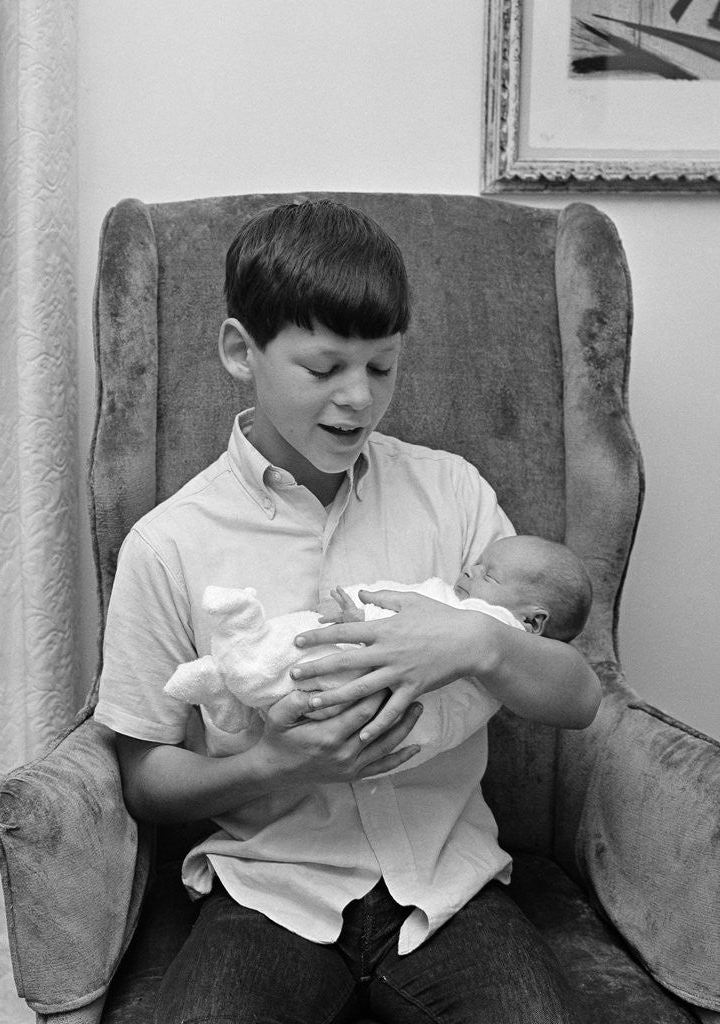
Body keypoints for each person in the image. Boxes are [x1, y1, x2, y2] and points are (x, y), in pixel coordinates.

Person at [94, 199, 601, 1023]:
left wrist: (475, 643)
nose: (358, 399)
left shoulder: (454, 494)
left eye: (382, 367)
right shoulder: (169, 543)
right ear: (241, 351)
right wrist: (277, 763)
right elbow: (145, 779)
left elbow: (579, 698)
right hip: (269, 889)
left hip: (448, 886)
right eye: (325, 368)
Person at [163, 535, 593, 770]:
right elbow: (405, 621)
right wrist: (268, 767)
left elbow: (585, 701)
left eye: (489, 575)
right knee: (305, 670)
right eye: (476, 562)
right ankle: (234, 681)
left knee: (305, 672)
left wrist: (486, 642)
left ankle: (236, 664)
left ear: (533, 621)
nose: (469, 569)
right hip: (265, 868)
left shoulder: (497, 620)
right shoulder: (167, 539)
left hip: (449, 862)